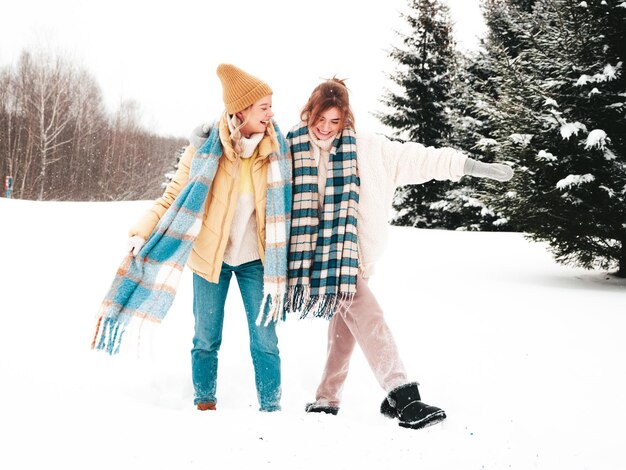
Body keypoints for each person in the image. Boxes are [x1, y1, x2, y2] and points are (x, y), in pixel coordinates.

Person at [284, 77, 513, 429]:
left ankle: (326, 399)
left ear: (346, 119)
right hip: (318, 258)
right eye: (320, 120)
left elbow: (420, 159)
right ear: (309, 114)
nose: (326, 129)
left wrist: (473, 168)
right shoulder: (290, 149)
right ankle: (403, 397)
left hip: (356, 256)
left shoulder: (368, 149)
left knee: (345, 328)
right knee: (369, 317)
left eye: (335, 121)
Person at [92, 64, 292, 413]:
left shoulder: (276, 152)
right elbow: (171, 198)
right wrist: (142, 230)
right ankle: (204, 405)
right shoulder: (203, 152)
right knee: (205, 338)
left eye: (271, 106)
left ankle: (271, 410)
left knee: (265, 340)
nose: (271, 114)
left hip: (257, 263)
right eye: (264, 107)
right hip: (210, 259)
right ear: (241, 111)